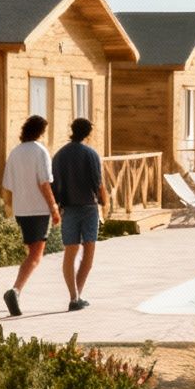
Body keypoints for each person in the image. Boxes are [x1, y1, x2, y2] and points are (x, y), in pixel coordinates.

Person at [1, 115, 59, 317]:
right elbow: (44, 183)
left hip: (21, 210)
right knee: (35, 256)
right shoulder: (40, 151)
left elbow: (8, 185)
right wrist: (54, 208)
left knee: (31, 253)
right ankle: (15, 291)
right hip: (38, 210)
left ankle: (17, 290)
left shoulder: (15, 152)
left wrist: (9, 209)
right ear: (40, 132)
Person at [50, 116, 108, 311]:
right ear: (88, 133)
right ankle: (77, 295)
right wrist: (105, 202)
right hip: (88, 207)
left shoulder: (59, 156)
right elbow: (98, 183)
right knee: (88, 251)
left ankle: (74, 296)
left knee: (70, 251)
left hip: (68, 207)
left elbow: (54, 184)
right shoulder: (90, 154)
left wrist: (56, 207)